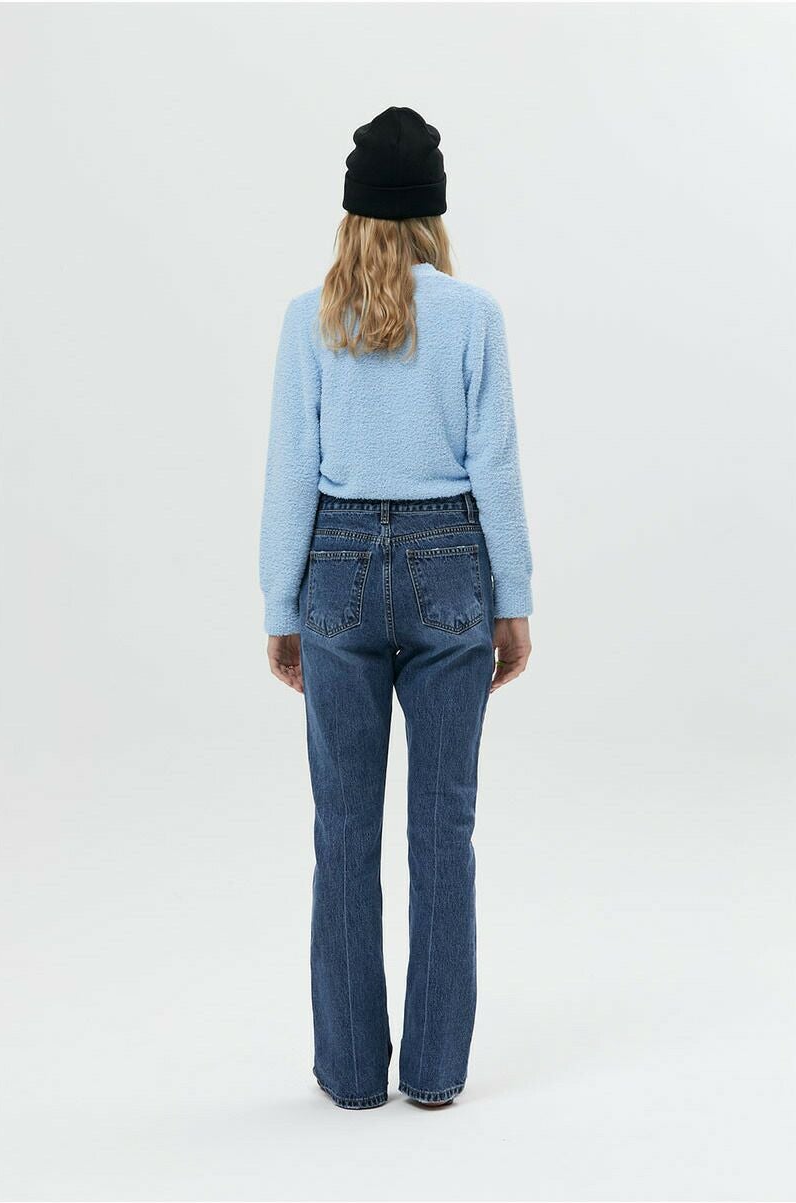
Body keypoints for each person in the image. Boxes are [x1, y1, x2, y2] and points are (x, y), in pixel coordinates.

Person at [259, 106, 533, 1110]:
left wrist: (280, 604)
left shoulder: (310, 318)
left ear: (352, 212)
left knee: (342, 829)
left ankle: (346, 1073)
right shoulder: (473, 316)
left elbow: (291, 468)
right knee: (443, 828)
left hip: (333, 571)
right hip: (450, 565)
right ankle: (433, 1073)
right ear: (431, 214)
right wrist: (511, 599)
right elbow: (493, 465)